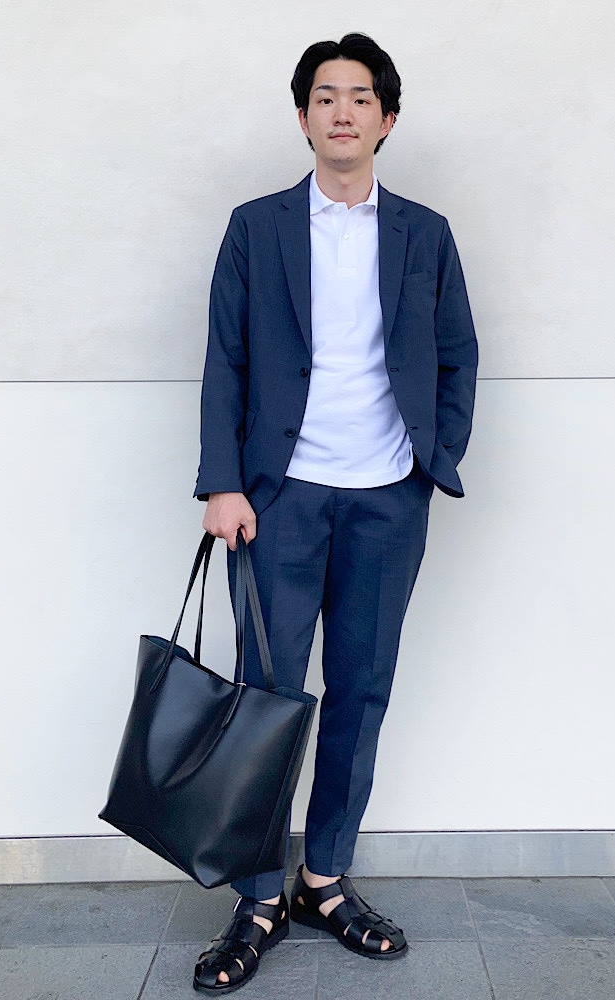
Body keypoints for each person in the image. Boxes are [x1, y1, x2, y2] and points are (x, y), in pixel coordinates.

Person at [192, 32, 478, 994]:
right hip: (277, 499)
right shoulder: (257, 226)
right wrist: (223, 483)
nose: (343, 111)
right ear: (303, 116)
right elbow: (225, 357)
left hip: (387, 498)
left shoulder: (425, 233)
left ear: (387, 119)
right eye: (325, 96)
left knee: (360, 692)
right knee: (266, 699)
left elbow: (457, 353)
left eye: (360, 97)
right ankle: (257, 897)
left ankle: (324, 879)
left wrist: (432, 460)